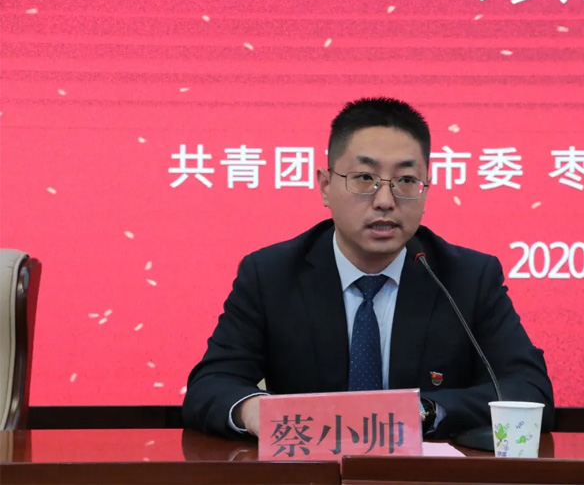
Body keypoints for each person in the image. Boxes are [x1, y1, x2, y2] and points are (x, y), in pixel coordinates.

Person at [182, 97, 554, 439]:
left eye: (406, 180)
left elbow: (528, 389)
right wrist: (256, 411)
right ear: (325, 186)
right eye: (364, 178)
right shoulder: (271, 274)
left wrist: (425, 412)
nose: (385, 200)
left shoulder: (466, 278)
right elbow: (211, 385)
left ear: (425, 189)